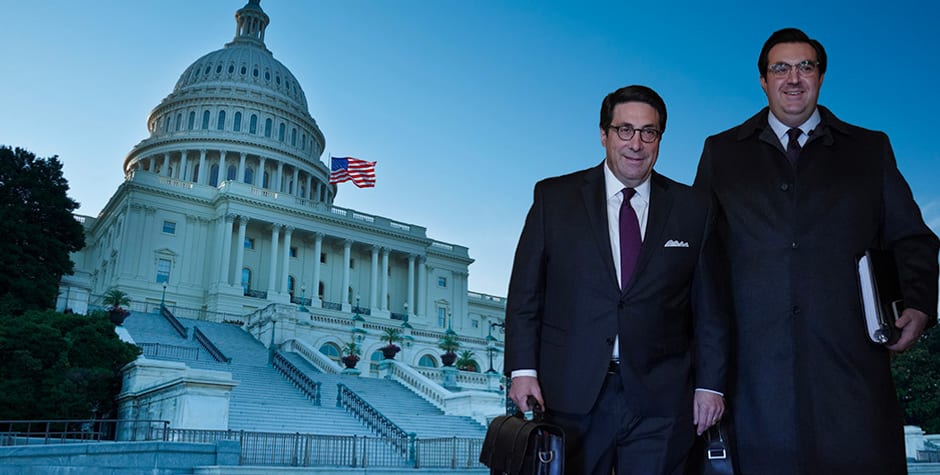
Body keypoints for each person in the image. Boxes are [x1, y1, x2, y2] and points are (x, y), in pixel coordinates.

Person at [694, 28, 940, 474]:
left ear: (821, 77)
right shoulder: (721, 153)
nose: (794, 78)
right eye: (780, 68)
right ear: (763, 81)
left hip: (851, 372)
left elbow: (914, 240)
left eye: (805, 66)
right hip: (754, 376)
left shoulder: (869, 149)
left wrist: (920, 306)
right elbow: (701, 261)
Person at [505, 85, 728, 474]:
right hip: (571, 393)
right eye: (625, 130)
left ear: (659, 138)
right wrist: (523, 371)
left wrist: (711, 385)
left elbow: (710, 307)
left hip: (661, 399)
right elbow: (526, 294)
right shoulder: (554, 198)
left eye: (648, 132)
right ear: (604, 134)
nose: (636, 143)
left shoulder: (695, 209)